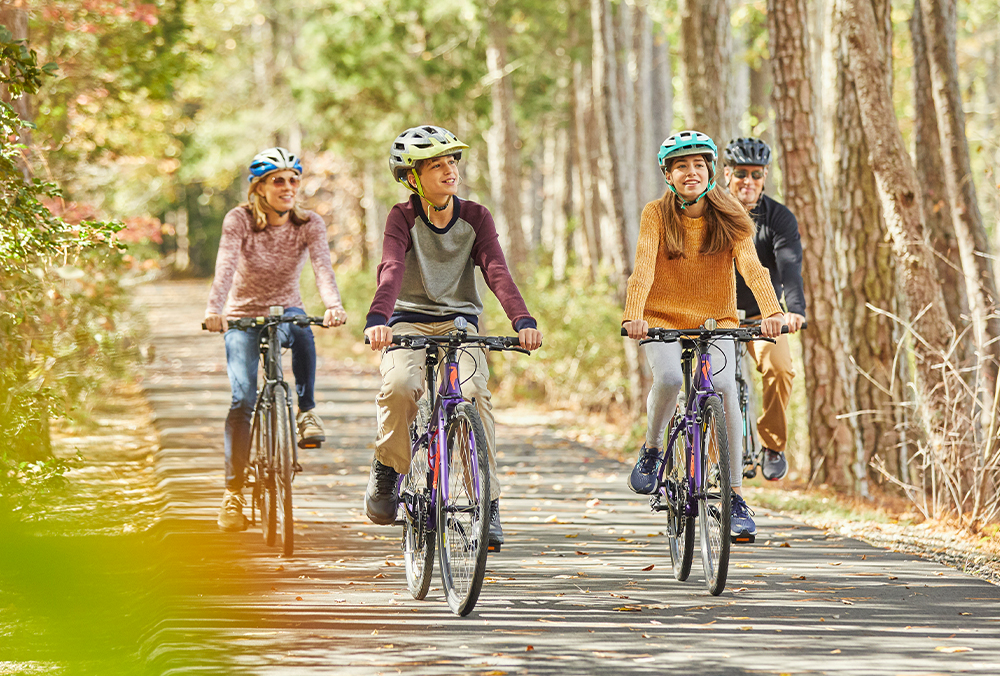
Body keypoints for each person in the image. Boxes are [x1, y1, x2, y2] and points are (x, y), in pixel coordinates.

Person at [362, 125, 542, 550]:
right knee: (401, 387)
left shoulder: (476, 216)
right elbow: (390, 269)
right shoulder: (401, 216)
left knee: (475, 395)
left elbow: (497, 270)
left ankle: (487, 502)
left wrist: (523, 320)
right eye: (436, 165)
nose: (449, 171)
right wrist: (377, 318)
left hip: (460, 323)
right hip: (405, 321)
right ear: (412, 177)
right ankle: (388, 468)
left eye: (451, 162)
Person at [621, 130, 784, 540]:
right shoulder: (655, 214)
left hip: (718, 320)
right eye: (681, 166)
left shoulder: (729, 212)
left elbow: (751, 265)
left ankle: (733, 496)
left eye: (698, 165)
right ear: (669, 175)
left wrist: (771, 311)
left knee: (726, 388)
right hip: (661, 319)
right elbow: (643, 268)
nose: (691, 172)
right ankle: (653, 451)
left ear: (710, 171)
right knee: (672, 378)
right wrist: (633, 315)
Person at [205, 147, 348, 532]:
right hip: (241, 317)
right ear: (260, 187)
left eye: (293, 180)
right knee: (243, 398)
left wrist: (333, 305)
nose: (288, 187)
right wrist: (214, 309)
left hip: (287, 310)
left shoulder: (308, 223)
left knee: (303, 328)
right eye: (278, 181)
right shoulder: (239, 220)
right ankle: (232, 495)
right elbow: (226, 265)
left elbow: (322, 267)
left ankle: (306, 412)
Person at [722, 137, 806, 481]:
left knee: (780, 369)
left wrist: (794, 310)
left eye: (756, 174)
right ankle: (713, 456)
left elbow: (790, 267)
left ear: (765, 175)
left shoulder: (779, 218)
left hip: (764, 315)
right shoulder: (711, 214)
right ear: (726, 173)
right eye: (741, 173)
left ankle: (772, 444)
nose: (749, 181)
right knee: (710, 383)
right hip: (717, 314)